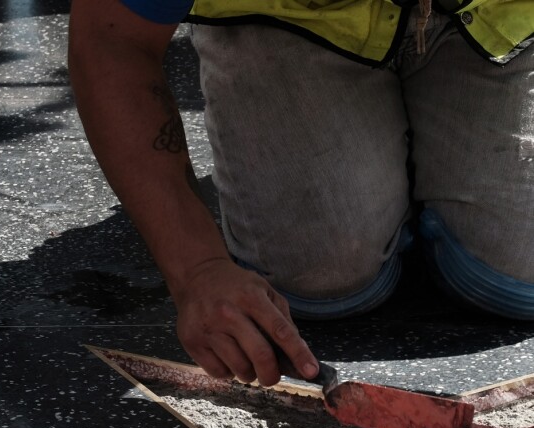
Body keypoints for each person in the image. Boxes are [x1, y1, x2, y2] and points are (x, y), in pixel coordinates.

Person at [68, 0, 534, 386]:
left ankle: (403, 161)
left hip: (495, 20)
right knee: (323, 270)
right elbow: (112, 39)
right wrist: (197, 269)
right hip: (294, 18)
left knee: (523, 270)